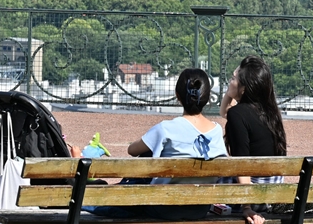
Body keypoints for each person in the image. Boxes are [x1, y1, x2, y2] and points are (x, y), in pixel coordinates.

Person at [85, 68, 228, 221]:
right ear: (207, 98)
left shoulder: (166, 128)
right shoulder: (216, 131)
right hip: (199, 209)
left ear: (177, 95)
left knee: (147, 155)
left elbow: (132, 150)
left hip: (163, 207)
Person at [221, 55, 288, 224]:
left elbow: (242, 163)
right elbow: (225, 112)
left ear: (244, 88)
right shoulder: (270, 113)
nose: (230, 81)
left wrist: (246, 207)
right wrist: (231, 93)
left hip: (254, 197)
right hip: (272, 193)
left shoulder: (238, 115)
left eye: (233, 78)